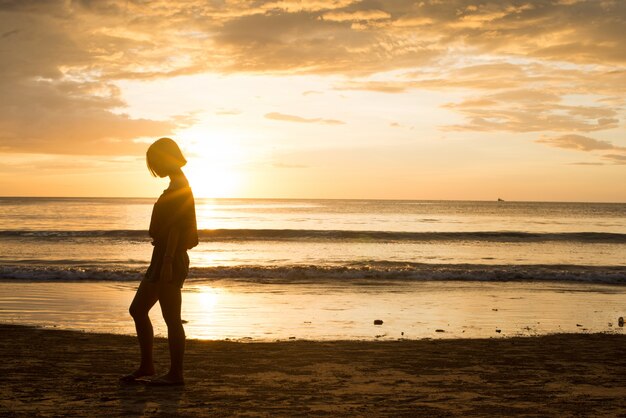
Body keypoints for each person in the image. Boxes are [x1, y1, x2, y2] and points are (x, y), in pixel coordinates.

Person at [121, 137, 198, 386]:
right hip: (164, 256)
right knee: (139, 310)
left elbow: (176, 228)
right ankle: (148, 365)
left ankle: (175, 374)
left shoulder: (179, 188)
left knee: (171, 318)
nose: (153, 167)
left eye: (155, 161)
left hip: (170, 258)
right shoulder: (177, 184)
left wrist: (166, 260)